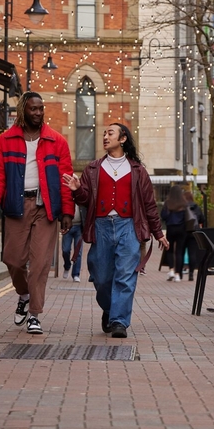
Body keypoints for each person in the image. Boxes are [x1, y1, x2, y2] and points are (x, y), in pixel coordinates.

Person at [0, 91, 73, 335]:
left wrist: (67, 212)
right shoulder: (7, 140)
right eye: (33, 109)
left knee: (40, 263)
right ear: (23, 110)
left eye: (41, 109)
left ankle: (34, 314)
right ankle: (23, 294)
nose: (38, 113)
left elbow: (65, 179)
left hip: (46, 207)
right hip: (17, 206)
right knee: (13, 260)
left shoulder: (56, 141)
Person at [62, 123, 169, 339]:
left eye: (110, 133)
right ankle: (110, 310)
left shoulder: (138, 171)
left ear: (122, 139)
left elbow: (149, 205)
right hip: (101, 225)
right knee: (101, 277)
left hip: (129, 225)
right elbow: (85, 201)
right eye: (104, 133)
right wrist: (77, 190)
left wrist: (158, 233)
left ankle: (119, 321)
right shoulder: (92, 169)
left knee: (125, 275)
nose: (105, 136)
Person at [161, 185, 188, 281]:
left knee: (170, 249)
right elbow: (187, 217)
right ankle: (178, 274)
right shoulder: (184, 203)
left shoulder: (168, 203)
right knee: (179, 252)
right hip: (182, 229)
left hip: (171, 228)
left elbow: (163, 216)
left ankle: (171, 269)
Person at [183, 188, 205, 282]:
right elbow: (202, 219)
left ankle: (179, 272)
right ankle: (191, 273)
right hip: (194, 232)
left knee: (180, 252)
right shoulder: (197, 207)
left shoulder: (182, 207)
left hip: (183, 231)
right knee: (192, 253)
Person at [62, 205, 85, 281]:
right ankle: (67, 265)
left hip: (79, 227)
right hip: (67, 225)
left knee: (78, 252)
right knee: (65, 249)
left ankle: (76, 274)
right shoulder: (67, 195)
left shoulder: (80, 195)